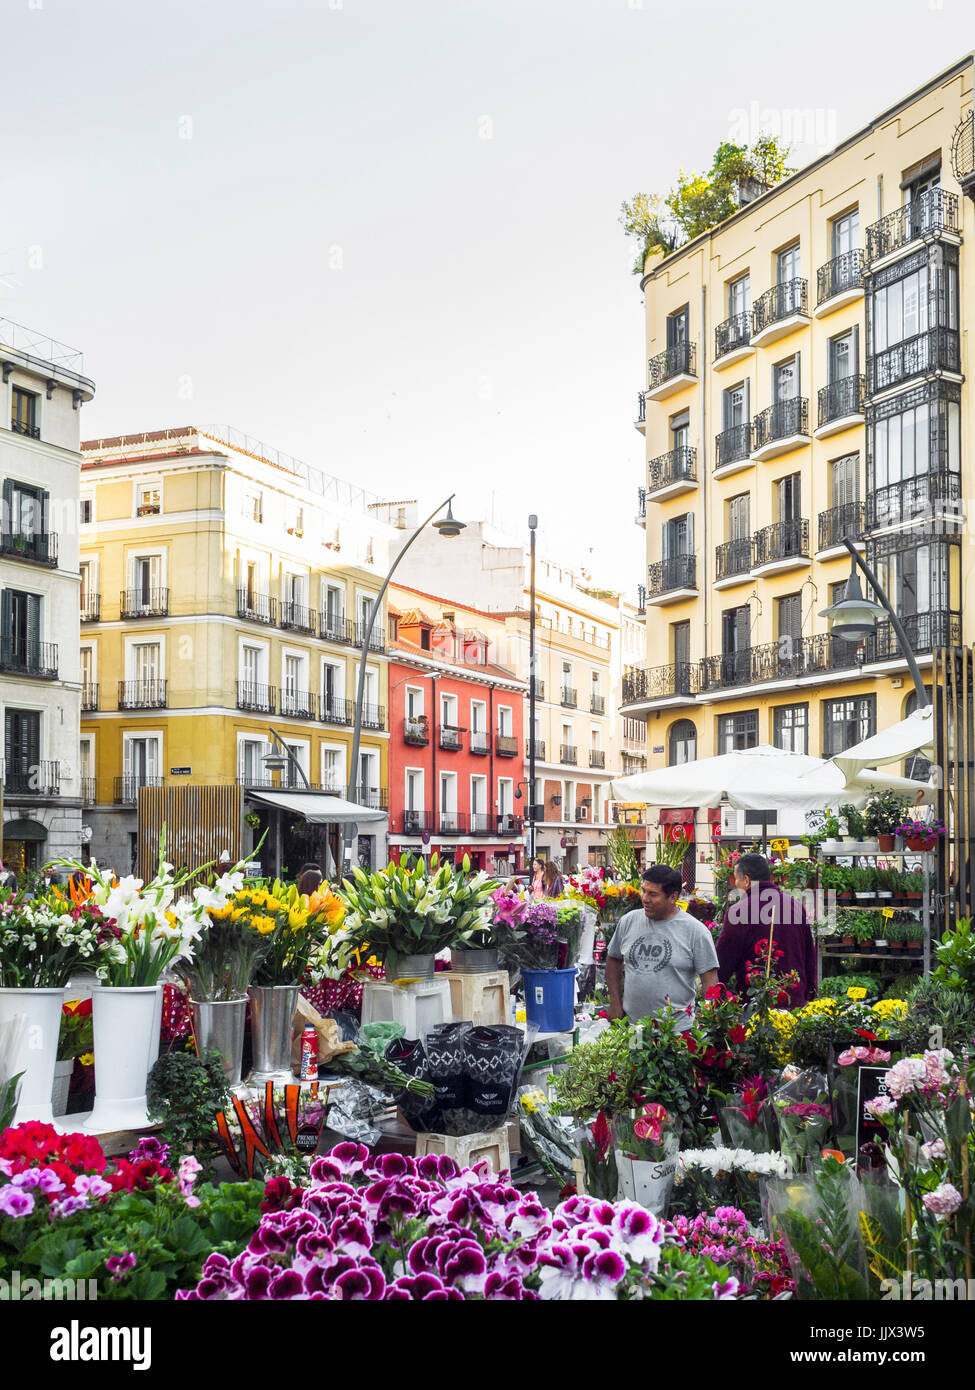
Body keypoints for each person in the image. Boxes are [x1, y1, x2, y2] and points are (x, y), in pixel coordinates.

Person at [606, 865, 719, 1030]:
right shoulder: (628, 921)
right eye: (644, 891)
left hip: (676, 1032)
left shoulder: (696, 931)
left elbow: (710, 981)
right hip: (634, 1027)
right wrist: (615, 1001)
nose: (645, 898)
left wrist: (710, 1023)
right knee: (634, 1055)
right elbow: (613, 959)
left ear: (673, 897)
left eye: (653, 894)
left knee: (671, 1056)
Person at [716, 852, 817, 1007]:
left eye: (736, 878)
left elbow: (725, 959)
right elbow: (809, 952)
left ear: (747, 880)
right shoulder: (795, 905)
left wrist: (716, 994)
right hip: (795, 1000)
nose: (735, 883)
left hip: (756, 1005)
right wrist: (810, 989)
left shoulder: (739, 911)